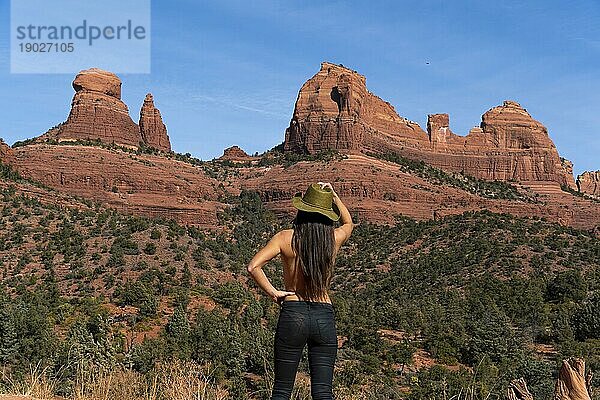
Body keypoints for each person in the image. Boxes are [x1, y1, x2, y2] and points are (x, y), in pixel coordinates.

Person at [247, 182, 354, 400]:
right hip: (324, 315)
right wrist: (334, 197)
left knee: (281, 390)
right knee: (323, 392)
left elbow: (253, 267)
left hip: (293, 312)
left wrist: (274, 293)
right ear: (326, 215)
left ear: (302, 210)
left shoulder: (286, 237)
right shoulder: (332, 239)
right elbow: (349, 223)